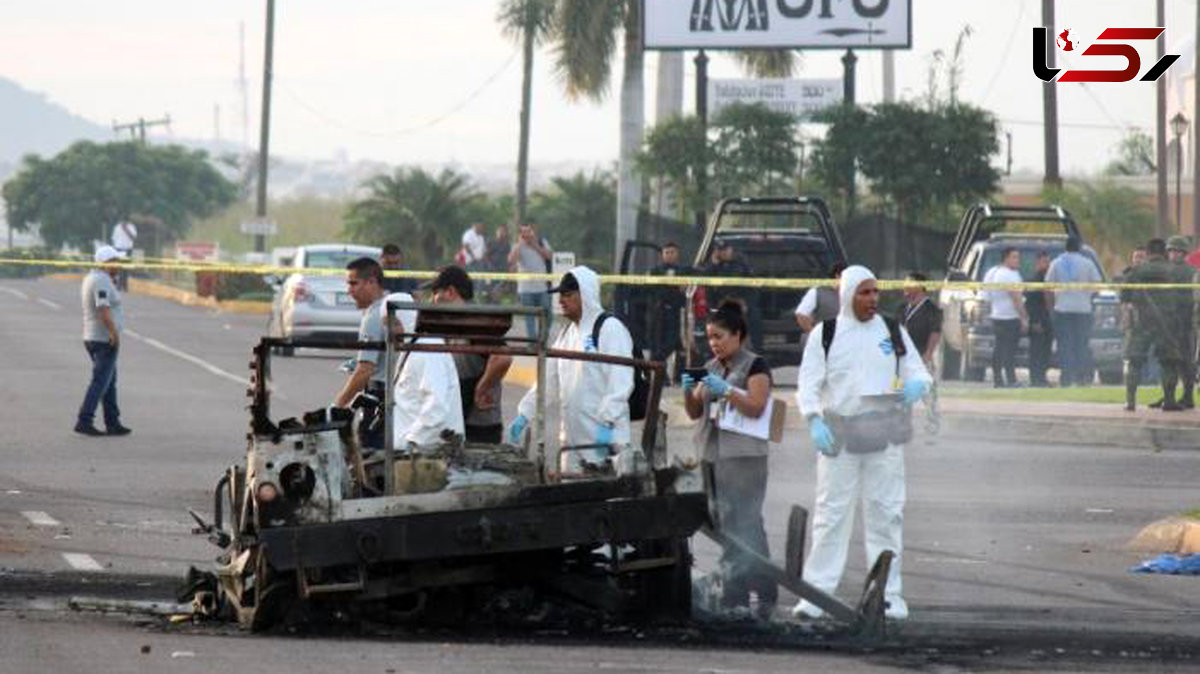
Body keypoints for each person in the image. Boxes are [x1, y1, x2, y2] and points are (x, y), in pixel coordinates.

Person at [793, 265, 932, 621]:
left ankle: (888, 596)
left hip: (884, 436)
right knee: (831, 516)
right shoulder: (825, 334)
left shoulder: (891, 330)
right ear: (847, 294)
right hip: (839, 437)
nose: (873, 299)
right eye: (864, 292)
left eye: (875, 292)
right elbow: (807, 385)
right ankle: (816, 594)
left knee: (886, 515)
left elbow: (917, 371)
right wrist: (812, 420)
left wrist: (917, 386)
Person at [682, 299, 777, 618]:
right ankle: (735, 591)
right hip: (713, 457)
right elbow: (694, 411)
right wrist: (688, 389)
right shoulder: (710, 368)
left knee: (747, 522)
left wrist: (726, 391)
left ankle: (764, 590)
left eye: (719, 337)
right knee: (724, 522)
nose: (714, 343)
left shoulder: (755, 365)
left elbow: (756, 406)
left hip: (745, 459)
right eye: (710, 337)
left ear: (738, 335)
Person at [509, 266, 634, 472]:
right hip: (571, 446)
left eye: (567, 295)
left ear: (585, 295)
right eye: (560, 295)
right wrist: (525, 412)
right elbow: (548, 379)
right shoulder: (566, 334)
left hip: (606, 443)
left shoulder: (609, 328)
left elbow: (621, 381)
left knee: (607, 501)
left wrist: (607, 423)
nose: (560, 301)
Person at [428, 265, 512, 443]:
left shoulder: (473, 320)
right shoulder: (457, 321)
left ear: (451, 292)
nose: (432, 300)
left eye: (435, 293)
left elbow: (503, 357)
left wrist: (481, 388)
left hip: (479, 426)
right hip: (462, 421)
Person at [388, 292, 465, 450]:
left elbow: (436, 405)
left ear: (408, 318)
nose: (390, 331)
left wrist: (414, 440)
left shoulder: (428, 349)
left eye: (395, 323)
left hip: (428, 453)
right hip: (412, 450)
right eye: (387, 324)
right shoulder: (411, 348)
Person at [1122, 239, 1188, 412]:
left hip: (1142, 323)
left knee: (1135, 362)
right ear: (1165, 252)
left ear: (1149, 252)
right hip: (1167, 324)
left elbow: (1125, 297)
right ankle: (1169, 401)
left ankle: (1130, 402)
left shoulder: (1136, 271)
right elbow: (1185, 299)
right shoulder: (1175, 271)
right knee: (1168, 362)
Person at [75, 246, 132, 436]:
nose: (120, 265)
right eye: (116, 261)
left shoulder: (96, 278)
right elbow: (104, 310)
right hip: (103, 338)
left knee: (109, 381)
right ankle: (85, 419)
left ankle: (113, 422)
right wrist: (113, 334)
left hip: (94, 336)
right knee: (100, 382)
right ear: (106, 263)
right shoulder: (101, 281)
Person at [335, 257, 389, 448]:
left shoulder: (374, 316)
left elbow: (365, 370)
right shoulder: (389, 306)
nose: (349, 290)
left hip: (381, 397)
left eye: (353, 283)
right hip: (397, 396)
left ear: (372, 281)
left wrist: (337, 406)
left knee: (368, 455)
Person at [1046, 236, 1101, 387]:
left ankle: (1066, 378)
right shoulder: (1088, 263)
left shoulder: (1056, 263)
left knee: (1064, 345)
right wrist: (1086, 296)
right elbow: (1097, 286)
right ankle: (1081, 377)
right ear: (1079, 247)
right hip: (1083, 310)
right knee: (1081, 344)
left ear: (1066, 247)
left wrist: (1052, 307)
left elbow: (1048, 286)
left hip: (1062, 309)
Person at [898, 272, 943, 433]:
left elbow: (935, 332)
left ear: (919, 287)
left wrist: (929, 353)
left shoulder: (931, 308)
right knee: (901, 391)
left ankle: (933, 423)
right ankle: (903, 424)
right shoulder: (903, 308)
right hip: (905, 358)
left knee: (928, 391)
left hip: (923, 355)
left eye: (909, 285)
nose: (905, 289)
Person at [983, 248, 1027, 388]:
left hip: (997, 316)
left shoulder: (992, 272)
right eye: (1014, 257)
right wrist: (1024, 317)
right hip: (1009, 317)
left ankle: (999, 380)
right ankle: (1010, 380)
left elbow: (986, 296)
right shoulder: (1008, 275)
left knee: (1000, 348)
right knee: (1009, 350)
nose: (1017, 260)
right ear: (1006, 258)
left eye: (1018, 257)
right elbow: (1016, 298)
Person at [507, 221, 553, 338]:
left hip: (541, 287)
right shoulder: (517, 246)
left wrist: (534, 245)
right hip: (525, 288)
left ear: (533, 231)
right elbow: (511, 261)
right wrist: (520, 245)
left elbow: (549, 256)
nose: (527, 234)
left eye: (529, 231)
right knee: (529, 318)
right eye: (524, 232)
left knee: (548, 314)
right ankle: (532, 343)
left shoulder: (542, 242)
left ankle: (542, 337)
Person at [795, 262, 847, 363]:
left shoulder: (853, 294)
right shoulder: (818, 291)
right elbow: (801, 315)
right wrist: (815, 335)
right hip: (823, 344)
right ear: (837, 276)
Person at [1166, 235, 1197, 408]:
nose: (1172, 254)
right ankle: (1184, 395)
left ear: (1182, 253)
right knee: (1185, 361)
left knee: (1174, 360)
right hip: (1185, 322)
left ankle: (1177, 396)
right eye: (1170, 250)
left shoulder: (1169, 271)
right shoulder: (1193, 272)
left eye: (1175, 250)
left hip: (1178, 322)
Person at [648, 242, 690, 363]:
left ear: (677, 254)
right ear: (662, 255)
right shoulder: (655, 271)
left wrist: (685, 286)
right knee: (657, 342)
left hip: (676, 310)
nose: (670, 255)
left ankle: (659, 360)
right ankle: (658, 369)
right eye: (667, 252)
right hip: (658, 311)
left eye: (672, 252)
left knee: (673, 340)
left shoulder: (684, 270)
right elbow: (649, 289)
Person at [1024, 253, 1053, 387]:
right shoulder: (1034, 281)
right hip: (1037, 321)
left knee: (1045, 352)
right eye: (1044, 262)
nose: (1047, 265)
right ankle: (1035, 379)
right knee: (1036, 351)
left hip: (1047, 321)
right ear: (1037, 264)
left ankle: (1042, 378)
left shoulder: (1049, 279)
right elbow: (1029, 305)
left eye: (1048, 262)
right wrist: (1034, 322)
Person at [484, 224, 512, 302]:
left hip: (503, 271)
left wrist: (509, 269)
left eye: (504, 231)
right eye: (500, 231)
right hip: (492, 271)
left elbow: (509, 258)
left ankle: (497, 304)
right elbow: (486, 256)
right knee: (489, 291)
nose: (501, 233)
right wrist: (489, 266)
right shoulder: (491, 242)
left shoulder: (507, 244)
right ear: (496, 232)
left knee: (500, 291)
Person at [110, 220, 137, 290]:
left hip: (128, 249)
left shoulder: (131, 227)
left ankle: (125, 285)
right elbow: (114, 238)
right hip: (118, 248)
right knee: (119, 267)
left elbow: (133, 237)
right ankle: (118, 285)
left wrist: (126, 229)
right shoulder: (117, 227)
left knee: (126, 268)